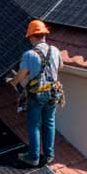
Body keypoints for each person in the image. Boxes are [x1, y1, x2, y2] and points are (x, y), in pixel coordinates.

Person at [13, 20, 64, 166]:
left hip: (38, 94)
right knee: (49, 122)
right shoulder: (55, 50)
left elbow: (22, 75)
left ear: (32, 36)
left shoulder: (29, 54)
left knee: (34, 125)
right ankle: (49, 156)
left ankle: (33, 157)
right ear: (44, 35)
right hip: (54, 92)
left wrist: (13, 81)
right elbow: (61, 67)